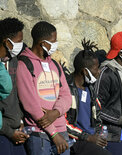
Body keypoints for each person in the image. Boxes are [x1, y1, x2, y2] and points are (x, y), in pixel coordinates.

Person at [16, 21, 72, 155]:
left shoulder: (55, 65)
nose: (56, 44)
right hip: (39, 134)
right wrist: (53, 133)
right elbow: (31, 105)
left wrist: (56, 112)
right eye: (53, 41)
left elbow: (66, 96)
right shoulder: (24, 65)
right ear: (42, 43)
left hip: (62, 131)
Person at [66, 39, 111, 155]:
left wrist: (98, 135)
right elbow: (64, 123)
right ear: (85, 72)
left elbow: (98, 116)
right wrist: (87, 137)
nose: (99, 71)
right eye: (96, 68)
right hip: (76, 141)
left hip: (91, 140)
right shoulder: (67, 89)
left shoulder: (90, 88)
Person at [0, 18, 25, 155]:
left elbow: (15, 94)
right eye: (18, 41)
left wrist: (19, 119)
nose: (21, 45)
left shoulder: (13, 61)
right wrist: (9, 132)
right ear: (7, 42)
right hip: (3, 132)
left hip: (15, 129)